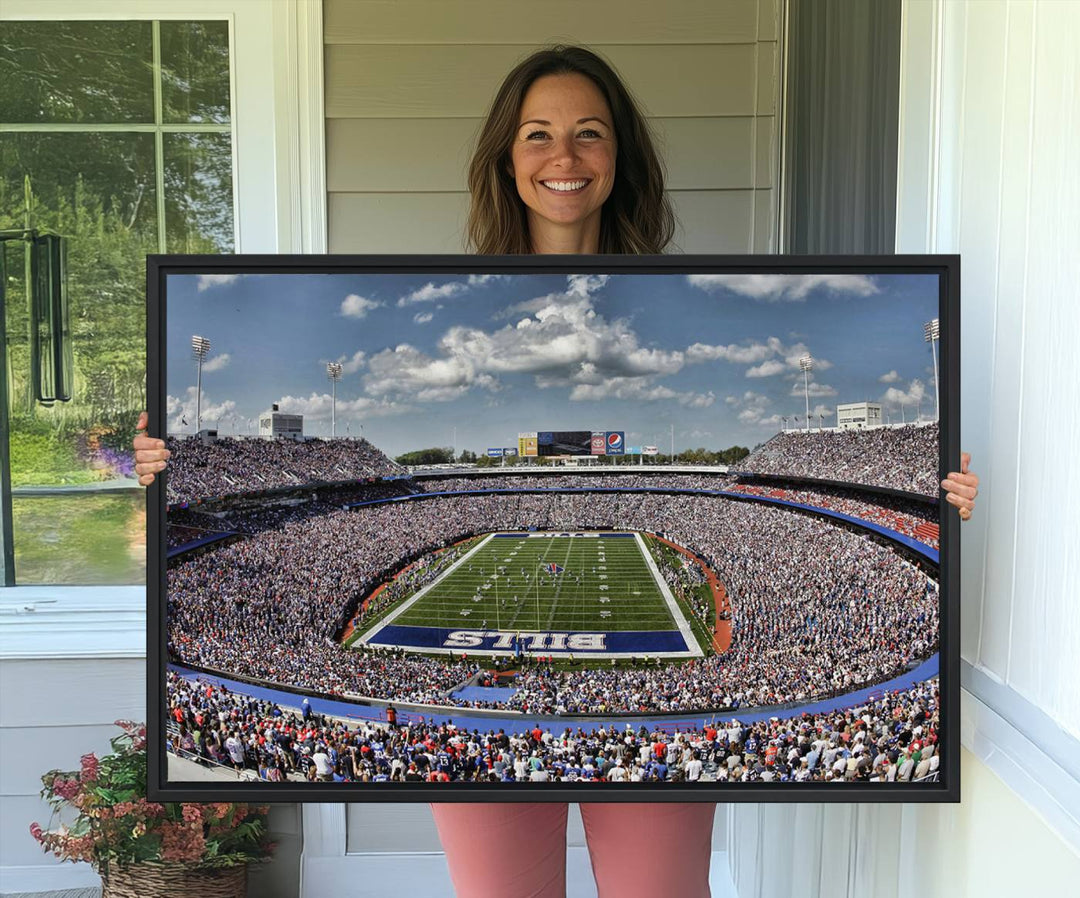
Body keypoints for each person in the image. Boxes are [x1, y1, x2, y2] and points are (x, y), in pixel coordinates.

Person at [135, 43, 980, 898]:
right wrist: (168, 474)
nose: (563, 157)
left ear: (621, 157)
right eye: (537, 134)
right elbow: (149, 517)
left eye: (590, 133)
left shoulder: (679, 288)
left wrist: (937, 493)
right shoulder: (448, 287)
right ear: (506, 157)